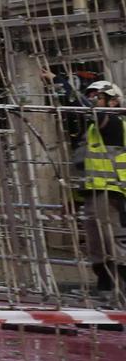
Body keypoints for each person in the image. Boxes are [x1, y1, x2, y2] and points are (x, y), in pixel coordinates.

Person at [77, 80, 125, 293]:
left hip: (112, 192)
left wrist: (59, 82)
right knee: (98, 250)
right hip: (94, 192)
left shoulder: (113, 123)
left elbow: (91, 111)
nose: (92, 101)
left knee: (114, 246)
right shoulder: (92, 129)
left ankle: (121, 296)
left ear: (113, 102)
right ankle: (107, 295)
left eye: (97, 97)